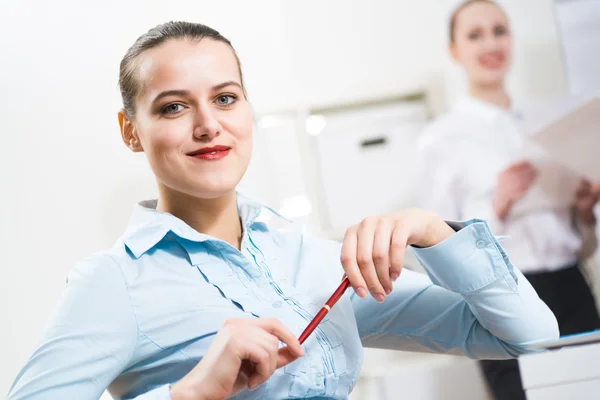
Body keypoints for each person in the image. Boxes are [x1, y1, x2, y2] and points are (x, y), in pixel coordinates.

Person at [9, 21, 558, 400]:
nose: (207, 125)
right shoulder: (112, 283)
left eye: (225, 98)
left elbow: (528, 336)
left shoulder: (311, 259)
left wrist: (433, 231)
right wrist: (191, 391)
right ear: (132, 131)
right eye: (174, 106)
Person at [418, 1, 600, 399]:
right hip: (505, 297)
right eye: (474, 35)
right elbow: (436, 247)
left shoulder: (547, 122)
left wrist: (585, 213)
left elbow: (582, 244)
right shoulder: (442, 139)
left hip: (573, 286)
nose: (490, 43)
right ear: (454, 51)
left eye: (499, 31)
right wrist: (497, 203)